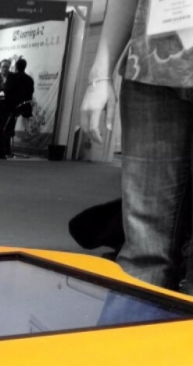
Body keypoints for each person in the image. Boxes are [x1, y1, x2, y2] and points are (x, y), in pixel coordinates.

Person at [80, 0, 193, 293]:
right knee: (143, 249)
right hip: (151, 65)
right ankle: (130, 322)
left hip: (154, 64)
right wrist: (99, 75)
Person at [2, 57, 34, 156]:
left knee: (6, 123)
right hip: (26, 107)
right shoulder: (30, 79)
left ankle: (6, 149)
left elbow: (7, 91)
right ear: (25, 67)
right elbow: (31, 93)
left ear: (16, 67)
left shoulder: (12, 77)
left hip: (14, 107)